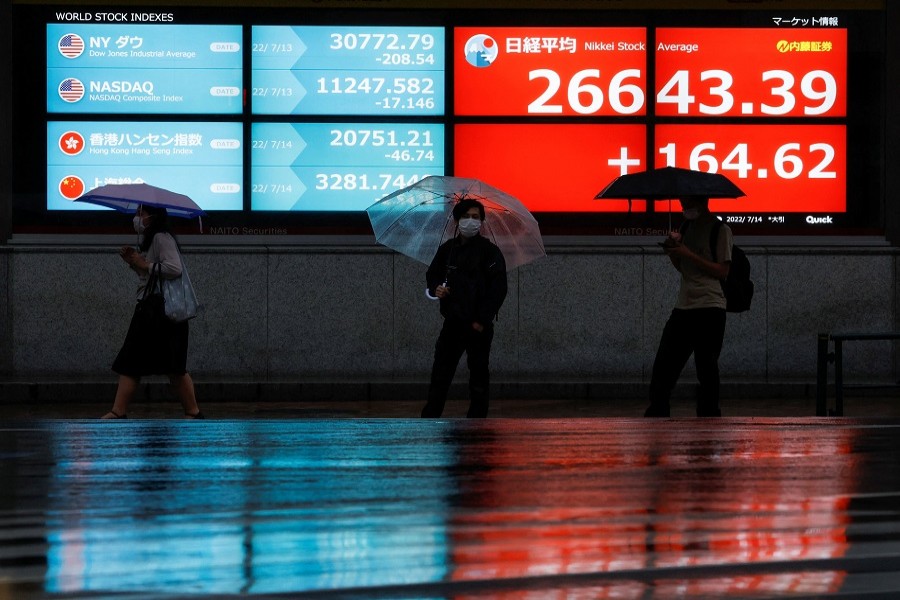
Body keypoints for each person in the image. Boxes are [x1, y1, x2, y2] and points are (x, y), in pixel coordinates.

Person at [102, 204, 203, 419]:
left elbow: (174, 268)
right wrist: (134, 262)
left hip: (159, 311)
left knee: (166, 364)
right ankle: (119, 410)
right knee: (137, 361)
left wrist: (144, 264)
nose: (137, 218)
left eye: (142, 214)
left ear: (153, 216)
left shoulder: (161, 237)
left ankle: (192, 411)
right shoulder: (154, 239)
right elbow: (150, 274)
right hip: (153, 309)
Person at [644, 196, 733, 418]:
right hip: (684, 306)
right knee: (664, 366)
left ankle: (709, 415)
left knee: (707, 367)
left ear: (703, 202)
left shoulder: (720, 230)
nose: (684, 208)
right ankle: (658, 412)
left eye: (689, 204)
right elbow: (685, 268)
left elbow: (722, 271)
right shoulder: (686, 227)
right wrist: (673, 252)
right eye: (683, 204)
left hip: (710, 307)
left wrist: (687, 253)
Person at [421, 199, 507, 418]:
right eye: (466, 216)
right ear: (457, 221)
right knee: (440, 375)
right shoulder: (447, 250)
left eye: (476, 217)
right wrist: (436, 289)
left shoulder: (490, 252)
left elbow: (498, 289)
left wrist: (481, 320)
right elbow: (433, 276)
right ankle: (430, 419)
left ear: (482, 221)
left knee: (478, 376)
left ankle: (477, 423)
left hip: (478, 326)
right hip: (452, 323)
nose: (471, 221)